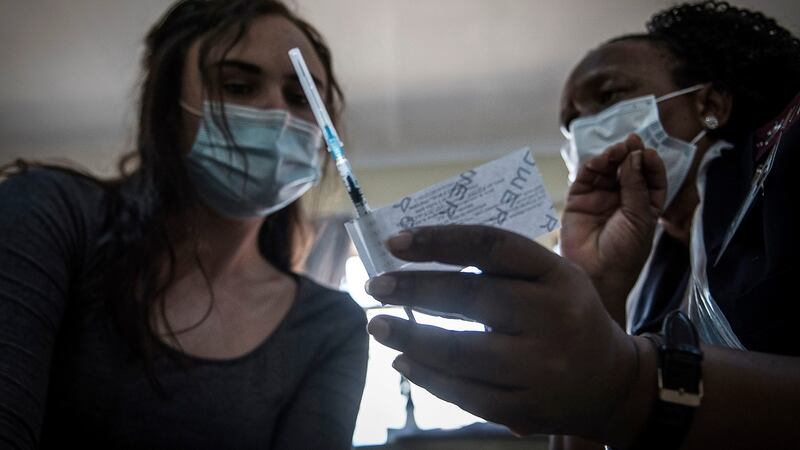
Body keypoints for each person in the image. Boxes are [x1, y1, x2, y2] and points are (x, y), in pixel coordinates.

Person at [364, 1, 799, 449]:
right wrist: (598, 286)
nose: (587, 128)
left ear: (710, 102)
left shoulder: (788, 165)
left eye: (608, 96)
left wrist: (627, 381)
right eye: (571, 123)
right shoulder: (657, 271)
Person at [0, 1, 367, 448]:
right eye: (237, 85)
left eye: (301, 96)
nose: (278, 112)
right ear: (171, 108)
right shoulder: (50, 214)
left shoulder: (330, 327)